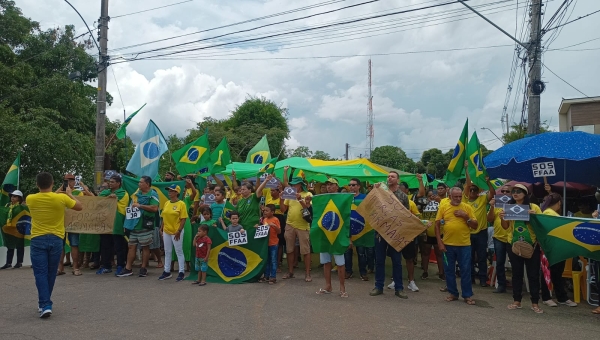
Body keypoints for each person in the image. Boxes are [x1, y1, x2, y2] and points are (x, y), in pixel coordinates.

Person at [27, 172, 82, 318]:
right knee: (51, 272)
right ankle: (45, 303)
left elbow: (47, 195)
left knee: (40, 273)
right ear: (52, 183)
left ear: (37, 184)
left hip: (38, 239)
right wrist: (69, 194)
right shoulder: (62, 198)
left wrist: (57, 190)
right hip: (57, 238)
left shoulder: (30, 198)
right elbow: (79, 207)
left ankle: (44, 304)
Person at [500, 184, 544, 313]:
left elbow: (541, 226)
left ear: (525, 194)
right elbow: (505, 227)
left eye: (519, 191)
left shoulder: (533, 207)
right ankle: (516, 301)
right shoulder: (509, 207)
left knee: (533, 275)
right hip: (513, 244)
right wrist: (502, 217)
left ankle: (535, 303)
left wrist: (534, 216)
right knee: (516, 274)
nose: (515, 193)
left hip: (532, 245)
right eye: (513, 191)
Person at [370, 171, 411, 299]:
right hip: (381, 232)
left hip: (396, 234)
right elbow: (371, 205)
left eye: (392, 176)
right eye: (388, 176)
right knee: (380, 260)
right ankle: (378, 286)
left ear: (398, 180)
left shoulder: (403, 196)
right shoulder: (381, 193)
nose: (389, 178)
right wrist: (374, 189)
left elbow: (407, 215)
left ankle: (399, 288)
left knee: (397, 261)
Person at [435, 186, 478, 305]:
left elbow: (475, 226)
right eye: (455, 197)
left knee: (465, 270)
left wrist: (466, 217)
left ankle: (467, 295)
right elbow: (437, 225)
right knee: (449, 270)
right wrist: (440, 242)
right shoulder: (444, 207)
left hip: (464, 245)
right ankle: (453, 293)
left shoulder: (467, 208)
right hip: (447, 244)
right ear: (450, 196)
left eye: (460, 196)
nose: (458, 199)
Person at [539, 192, 578, 307]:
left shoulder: (549, 213)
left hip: (557, 247)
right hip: (552, 248)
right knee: (550, 272)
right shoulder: (548, 213)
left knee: (557, 273)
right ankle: (547, 297)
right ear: (559, 203)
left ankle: (561, 296)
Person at [387, 176, 425, 292]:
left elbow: (413, 217)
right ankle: (395, 280)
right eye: (397, 190)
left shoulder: (410, 202)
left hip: (407, 232)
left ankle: (411, 281)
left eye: (401, 190)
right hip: (394, 233)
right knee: (395, 258)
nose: (398, 193)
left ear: (405, 192)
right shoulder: (388, 199)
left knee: (409, 258)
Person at [117, 176, 160, 278]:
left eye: (141, 182)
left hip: (145, 225)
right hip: (134, 226)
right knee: (131, 246)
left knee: (145, 247)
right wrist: (127, 224)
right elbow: (130, 210)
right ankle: (128, 268)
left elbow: (154, 208)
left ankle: (143, 268)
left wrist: (140, 206)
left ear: (147, 184)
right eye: (139, 182)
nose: (139, 184)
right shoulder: (136, 195)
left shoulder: (153, 194)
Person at [463, 162, 495, 287]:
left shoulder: (482, 199)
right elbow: (468, 183)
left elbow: (492, 193)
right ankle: (470, 278)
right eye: (470, 189)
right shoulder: (464, 200)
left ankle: (482, 279)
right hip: (468, 232)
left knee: (482, 257)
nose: (472, 191)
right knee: (469, 257)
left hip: (481, 232)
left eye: (474, 190)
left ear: (478, 192)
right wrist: (467, 169)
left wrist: (488, 182)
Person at [280, 167, 313, 282]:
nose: (293, 186)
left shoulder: (308, 194)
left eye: (295, 184)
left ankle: (307, 273)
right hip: (290, 225)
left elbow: (308, 210)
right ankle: (290, 272)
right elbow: (283, 209)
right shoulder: (290, 194)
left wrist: (300, 199)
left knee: (305, 250)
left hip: (303, 226)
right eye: (292, 184)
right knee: (289, 249)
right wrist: (281, 199)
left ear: (300, 185)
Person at [97, 175, 130, 275]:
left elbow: (121, 205)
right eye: (109, 182)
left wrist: (113, 199)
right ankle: (106, 265)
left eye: (112, 182)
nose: (110, 183)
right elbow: (98, 202)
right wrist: (108, 198)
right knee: (105, 245)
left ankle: (121, 265)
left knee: (119, 246)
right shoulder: (105, 193)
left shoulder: (123, 193)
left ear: (118, 183)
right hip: (105, 223)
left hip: (117, 222)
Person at [344, 178, 374, 281]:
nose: (351, 187)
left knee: (361, 253)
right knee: (347, 253)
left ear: (358, 186)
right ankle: (348, 271)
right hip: (348, 230)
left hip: (361, 231)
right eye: (350, 185)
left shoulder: (365, 198)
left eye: (353, 185)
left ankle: (363, 272)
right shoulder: (345, 198)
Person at [56, 173, 85, 276]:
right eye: (66, 181)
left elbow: (80, 204)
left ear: (74, 182)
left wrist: (69, 193)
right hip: (61, 222)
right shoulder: (59, 193)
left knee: (74, 244)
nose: (69, 182)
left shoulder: (78, 192)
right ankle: (60, 267)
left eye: (71, 180)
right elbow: (53, 197)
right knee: (60, 245)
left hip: (74, 222)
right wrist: (62, 188)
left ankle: (75, 267)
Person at [159, 184, 189, 282]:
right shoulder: (167, 203)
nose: (169, 192)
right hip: (166, 231)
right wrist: (161, 228)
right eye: (169, 190)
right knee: (167, 251)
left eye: (172, 191)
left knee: (179, 251)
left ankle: (181, 272)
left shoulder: (181, 204)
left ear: (177, 192)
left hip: (176, 231)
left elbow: (183, 219)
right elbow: (164, 216)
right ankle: (166, 271)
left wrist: (179, 231)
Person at [487, 185, 511, 293]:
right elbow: (490, 219)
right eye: (503, 191)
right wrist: (491, 206)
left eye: (508, 191)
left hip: (512, 238)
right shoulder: (497, 204)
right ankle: (501, 285)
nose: (505, 192)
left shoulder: (516, 205)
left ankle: (517, 286)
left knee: (515, 264)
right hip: (498, 238)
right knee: (500, 262)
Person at [420, 189, 445, 281]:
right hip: (427, 233)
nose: (431, 197)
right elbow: (422, 221)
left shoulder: (441, 205)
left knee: (439, 253)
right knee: (425, 253)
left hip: (439, 233)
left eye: (433, 195)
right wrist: (424, 233)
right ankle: (425, 272)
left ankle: (441, 273)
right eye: (429, 196)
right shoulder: (424, 207)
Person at [1, 190, 27, 269]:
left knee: (19, 246)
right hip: (9, 229)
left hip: (18, 229)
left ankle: (19, 262)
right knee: (10, 246)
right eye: (12, 196)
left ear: (19, 198)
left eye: (15, 196)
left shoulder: (21, 206)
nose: (12, 198)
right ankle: (8, 263)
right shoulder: (7, 205)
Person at [257, 204, 281, 284]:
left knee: (273, 260)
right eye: (264, 210)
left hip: (273, 243)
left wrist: (274, 226)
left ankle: (273, 277)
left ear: (272, 212)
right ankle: (266, 276)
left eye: (267, 210)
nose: (265, 212)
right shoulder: (264, 220)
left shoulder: (275, 219)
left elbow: (279, 232)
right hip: (266, 244)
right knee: (266, 260)